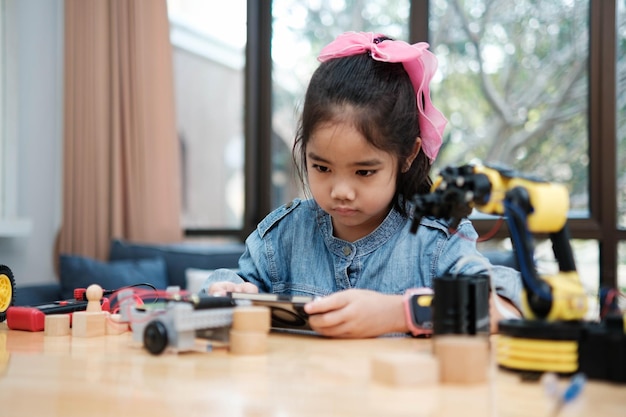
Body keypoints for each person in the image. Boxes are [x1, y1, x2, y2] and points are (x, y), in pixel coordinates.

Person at [204, 31, 522, 338]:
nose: (341, 190)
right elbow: (235, 287)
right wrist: (229, 292)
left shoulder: (437, 243)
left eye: (364, 172)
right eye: (322, 167)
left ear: (408, 155)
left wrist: (398, 313)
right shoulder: (282, 238)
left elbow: (501, 308)